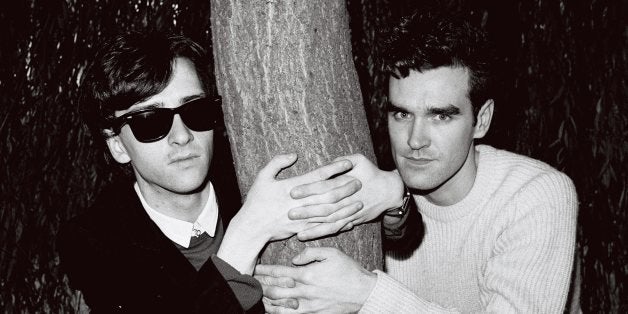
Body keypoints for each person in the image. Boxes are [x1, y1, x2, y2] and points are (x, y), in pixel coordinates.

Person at [255, 11, 578, 313]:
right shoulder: (376, 194)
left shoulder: (533, 194)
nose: (414, 140)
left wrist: (368, 294)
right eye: (401, 114)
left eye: (440, 116)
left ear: (482, 120)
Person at [56, 31, 379, 313]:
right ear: (118, 146)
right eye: (150, 122)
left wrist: (397, 201)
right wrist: (249, 232)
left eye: (195, 111)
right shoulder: (93, 240)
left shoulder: (253, 179)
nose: (182, 136)